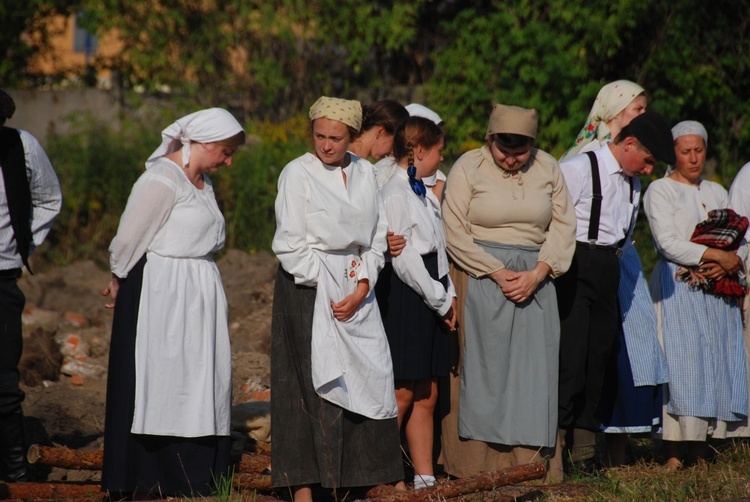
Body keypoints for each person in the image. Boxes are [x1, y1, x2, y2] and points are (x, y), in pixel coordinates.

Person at [101, 108, 245, 497]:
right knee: (166, 377)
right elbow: (131, 236)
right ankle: (153, 475)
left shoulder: (201, 182)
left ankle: (195, 474)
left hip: (198, 292)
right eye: (226, 152)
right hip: (165, 293)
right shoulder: (162, 180)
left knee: (200, 377)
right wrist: (118, 276)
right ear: (207, 143)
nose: (228, 161)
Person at [271, 96, 403, 501]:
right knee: (308, 382)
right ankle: (306, 486)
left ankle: (366, 477)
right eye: (319, 136)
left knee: (371, 374)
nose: (326, 145)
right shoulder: (298, 173)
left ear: (352, 137)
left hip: (356, 283)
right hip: (308, 286)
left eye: (336, 138)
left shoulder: (365, 173)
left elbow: (377, 236)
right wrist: (330, 286)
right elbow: (290, 244)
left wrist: (362, 286)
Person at [440, 104, 576, 482]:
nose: (512, 160)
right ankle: (475, 468)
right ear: (490, 139)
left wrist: (539, 272)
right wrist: (496, 271)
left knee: (532, 370)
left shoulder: (548, 167)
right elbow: (452, 228)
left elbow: (564, 226)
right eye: (505, 151)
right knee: (482, 370)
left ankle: (530, 464)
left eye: (521, 153)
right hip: (479, 273)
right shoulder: (469, 166)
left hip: (535, 277)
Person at [556, 111, 675, 474]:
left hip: (610, 268)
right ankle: (554, 451)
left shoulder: (632, 184)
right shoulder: (578, 169)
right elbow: (553, 221)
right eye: (649, 160)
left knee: (598, 361)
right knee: (571, 361)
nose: (650, 170)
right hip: (575, 265)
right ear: (628, 144)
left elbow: (622, 236)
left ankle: (585, 451)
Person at [645, 120, 749, 469]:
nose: (693, 158)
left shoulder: (717, 192)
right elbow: (667, 242)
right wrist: (713, 255)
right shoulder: (660, 190)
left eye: (699, 150)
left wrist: (729, 262)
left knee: (713, 361)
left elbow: (738, 239)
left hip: (716, 290)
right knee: (682, 362)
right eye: (685, 151)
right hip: (680, 286)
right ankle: (674, 452)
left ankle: (702, 451)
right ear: (673, 153)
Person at [376, 116, 456, 489]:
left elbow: (436, 246)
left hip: (433, 287)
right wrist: (439, 299)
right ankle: (380, 473)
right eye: (438, 151)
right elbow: (404, 259)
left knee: (428, 390)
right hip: (410, 296)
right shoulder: (395, 191)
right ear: (419, 150)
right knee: (403, 390)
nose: (442, 158)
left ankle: (425, 478)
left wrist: (449, 292)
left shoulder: (420, 189)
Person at [0, 89, 61, 482]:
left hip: (2, 276)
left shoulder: (21, 146)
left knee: (4, 383)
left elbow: (49, 199)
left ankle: (15, 472)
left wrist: (21, 244)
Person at [349, 99, 408, 165]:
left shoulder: (358, 164)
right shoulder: (345, 161)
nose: (393, 152)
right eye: (394, 144)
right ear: (381, 132)